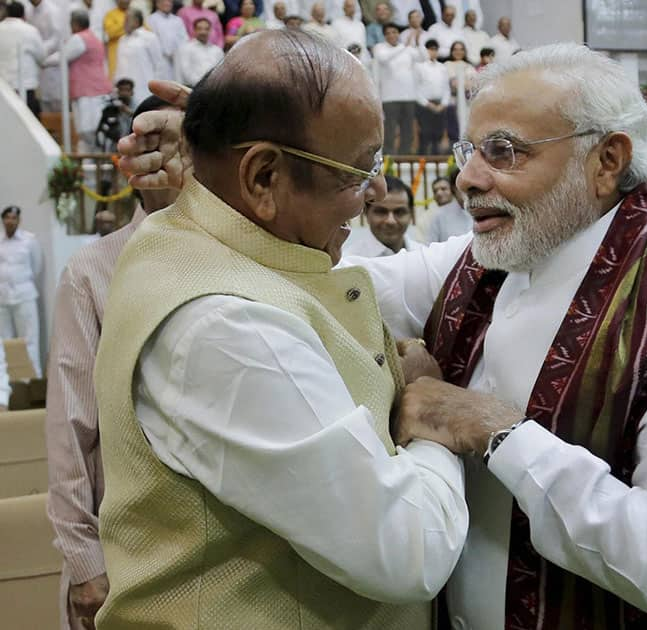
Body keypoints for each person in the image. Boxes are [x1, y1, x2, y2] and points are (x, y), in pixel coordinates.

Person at [121, 42, 647, 628]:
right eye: (470, 151)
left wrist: (499, 433)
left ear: (606, 160)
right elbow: (310, 275)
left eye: (504, 152)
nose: (467, 178)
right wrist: (226, 175)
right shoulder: (484, 260)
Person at [94, 30, 468, 629]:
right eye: (357, 172)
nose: (368, 198)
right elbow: (406, 550)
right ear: (264, 178)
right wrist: (433, 426)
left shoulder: (197, 231)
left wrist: (220, 133)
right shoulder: (225, 325)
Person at [45, 95, 178, 630]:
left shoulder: (240, 259)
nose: (170, 159)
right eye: (154, 145)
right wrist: (83, 561)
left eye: (182, 143)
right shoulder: (93, 272)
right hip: (125, 550)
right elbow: (71, 426)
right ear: (128, 162)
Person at [44, 11, 112, 152]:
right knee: (90, 132)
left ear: (74, 24)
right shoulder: (94, 37)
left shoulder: (79, 38)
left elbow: (62, 56)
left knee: (87, 131)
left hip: (88, 92)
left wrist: (42, 61)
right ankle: (90, 168)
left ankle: (91, 168)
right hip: (95, 90)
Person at [0, 205, 43, 376]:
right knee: (5, 342)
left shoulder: (29, 240)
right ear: (3, 220)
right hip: (3, 298)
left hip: (24, 296)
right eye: (7, 217)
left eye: (13, 218)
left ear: (19, 220)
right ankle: (8, 384)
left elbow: (37, 267)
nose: (10, 221)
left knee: (29, 340)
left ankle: (34, 380)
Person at [343, 176, 425, 257]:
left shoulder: (424, 257)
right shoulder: (349, 262)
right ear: (366, 213)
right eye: (381, 212)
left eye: (399, 212)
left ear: (411, 214)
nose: (390, 221)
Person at [374, 22, 422, 153]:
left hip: (409, 96)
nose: (391, 35)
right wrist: (404, 46)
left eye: (394, 32)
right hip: (390, 97)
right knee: (390, 129)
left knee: (408, 130)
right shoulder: (380, 47)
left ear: (398, 34)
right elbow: (383, 59)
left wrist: (417, 42)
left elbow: (422, 57)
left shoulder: (406, 48)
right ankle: (389, 159)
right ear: (384, 36)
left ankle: (404, 157)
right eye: (388, 33)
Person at [0, 2, 45, 117]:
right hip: (26, 84)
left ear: (6, 13)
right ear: (24, 14)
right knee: (30, 122)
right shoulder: (30, 30)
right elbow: (41, 56)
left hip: (4, 87)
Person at [113, 9, 165, 105]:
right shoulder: (122, 40)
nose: (124, 23)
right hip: (124, 90)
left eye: (127, 20)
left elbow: (159, 64)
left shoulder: (149, 37)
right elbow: (119, 64)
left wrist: (157, 88)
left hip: (144, 87)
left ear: (136, 21)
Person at [27, 0, 63, 112]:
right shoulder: (29, 10)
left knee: (57, 103)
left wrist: (41, 49)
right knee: (43, 103)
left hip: (53, 63)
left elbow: (57, 38)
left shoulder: (52, 10)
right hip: (37, 63)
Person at [415, 39, 449, 155]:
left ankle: (437, 159)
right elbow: (416, 88)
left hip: (439, 104)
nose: (433, 52)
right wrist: (427, 104)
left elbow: (446, 88)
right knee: (425, 134)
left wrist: (443, 104)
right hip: (425, 105)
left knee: (438, 134)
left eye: (435, 49)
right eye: (430, 49)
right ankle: (423, 159)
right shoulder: (419, 67)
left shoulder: (442, 68)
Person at [424, 169, 471, 243]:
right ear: (454, 188)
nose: (439, 193)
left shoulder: (483, 210)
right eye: (462, 185)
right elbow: (430, 246)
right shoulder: (439, 216)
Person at [176, 17, 224, 87]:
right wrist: (200, 87)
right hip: (192, 88)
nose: (203, 32)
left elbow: (221, 71)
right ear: (194, 30)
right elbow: (185, 72)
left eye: (206, 29)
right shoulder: (186, 48)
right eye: (200, 29)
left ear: (210, 30)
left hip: (213, 88)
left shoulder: (217, 50)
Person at [147, 0, 186, 82]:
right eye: (164, 1)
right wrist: (166, 52)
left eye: (169, 1)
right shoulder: (151, 19)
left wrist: (176, 52)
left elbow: (184, 39)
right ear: (157, 3)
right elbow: (151, 40)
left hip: (177, 59)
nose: (167, 4)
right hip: (160, 59)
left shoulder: (177, 20)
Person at [101, 0, 128, 78]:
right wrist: (127, 26)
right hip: (116, 53)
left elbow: (145, 30)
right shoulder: (110, 14)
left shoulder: (135, 13)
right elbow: (111, 32)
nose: (126, 1)